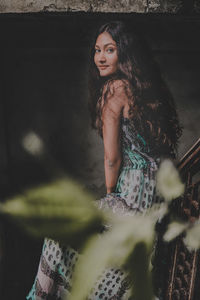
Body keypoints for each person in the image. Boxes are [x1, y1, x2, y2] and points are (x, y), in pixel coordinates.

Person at [26, 21, 182, 300]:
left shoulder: (115, 89)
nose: (100, 57)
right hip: (155, 200)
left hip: (132, 199)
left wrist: (111, 196)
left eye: (109, 50)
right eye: (97, 50)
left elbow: (112, 159)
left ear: (124, 53)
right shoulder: (149, 89)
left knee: (57, 235)